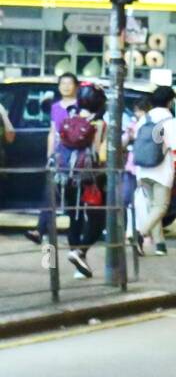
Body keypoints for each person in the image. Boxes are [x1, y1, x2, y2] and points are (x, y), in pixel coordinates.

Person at [52, 84, 108, 279]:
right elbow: (101, 156)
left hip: (65, 177)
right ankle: (80, 252)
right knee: (98, 219)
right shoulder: (99, 124)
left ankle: (79, 267)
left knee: (74, 218)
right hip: (90, 179)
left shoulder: (68, 119)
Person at [130, 86, 176, 256]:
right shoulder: (171, 121)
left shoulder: (144, 118)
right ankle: (139, 233)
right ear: (170, 102)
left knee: (153, 207)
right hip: (161, 171)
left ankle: (160, 245)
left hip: (142, 169)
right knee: (161, 207)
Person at [26, 72, 80, 245]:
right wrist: (49, 156)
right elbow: (52, 132)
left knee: (72, 198)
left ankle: (75, 240)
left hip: (76, 157)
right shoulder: (56, 107)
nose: (65, 86)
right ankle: (40, 230)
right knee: (50, 193)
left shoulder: (81, 106)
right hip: (59, 156)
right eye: (62, 83)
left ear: (76, 86)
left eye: (69, 83)